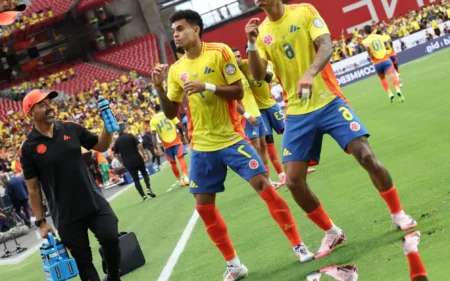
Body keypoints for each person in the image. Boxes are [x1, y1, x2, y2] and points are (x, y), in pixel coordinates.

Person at [246, 1, 417, 259]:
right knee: (293, 181)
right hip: (297, 112)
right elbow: (257, 75)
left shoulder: (304, 11)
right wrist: (251, 43)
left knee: (366, 156)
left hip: (329, 101)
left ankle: (398, 214)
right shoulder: (263, 31)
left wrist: (310, 73)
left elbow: (326, 44)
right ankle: (332, 231)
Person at [152, 9, 314, 281]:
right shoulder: (176, 70)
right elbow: (170, 113)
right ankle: (234, 265)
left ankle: (298, 244)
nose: (176, 35)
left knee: (265, 186)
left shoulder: (220, 52)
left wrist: (207, 86)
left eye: (180, 29)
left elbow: (238, 91)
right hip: (201, 146)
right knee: (204, 207)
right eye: (174, 31)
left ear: (195, 29)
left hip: (232, 139)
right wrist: (158, 87)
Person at [19, 89, 122, 281]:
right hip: (65, 214)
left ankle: (113, 276)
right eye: (42, 105)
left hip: (93, 201)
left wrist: (107, 126)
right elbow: (33, 188)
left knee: (111, 238)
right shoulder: (28, 148)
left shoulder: (71, 128)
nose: (50, 107)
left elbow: (101, 146)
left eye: (50, 102)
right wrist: (41, 223)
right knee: (83, 262)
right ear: (30, 113)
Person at [114, 123, 156, 201]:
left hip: (128, 162)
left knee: (135, 179)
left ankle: (143, 196)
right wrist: (143, 153)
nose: (127, 129)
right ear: (123, 129)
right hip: (137, 159)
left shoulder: (117, 141)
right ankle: (148, 189)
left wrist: (121, 161)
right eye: (126, 128)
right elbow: (139, 145)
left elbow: (116, 154)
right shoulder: (130, 136)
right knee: (145, 174)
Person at [362, 25, 404, 103]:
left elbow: (367, 47)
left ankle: (389, 93)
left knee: (382, 78)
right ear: (372, 30)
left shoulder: (365, 41)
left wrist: (370, 54)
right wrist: (386, 48)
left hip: (376, 63)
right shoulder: (379, 36)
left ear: (365, 32)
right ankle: (398, 89)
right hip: (386, 60)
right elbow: (387, 46)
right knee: (392, 74)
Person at [150, 104, 189, 187]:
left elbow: (153, 134)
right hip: (176, 140)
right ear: (162, 108)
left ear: (155, 111)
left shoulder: (153, 120)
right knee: (181, 159)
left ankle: (179, 181)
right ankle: (186, 177)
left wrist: (155, 148)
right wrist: (182, 136)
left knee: (173, 163)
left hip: (166, 145)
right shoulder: (169, 114)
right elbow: (179, 125)